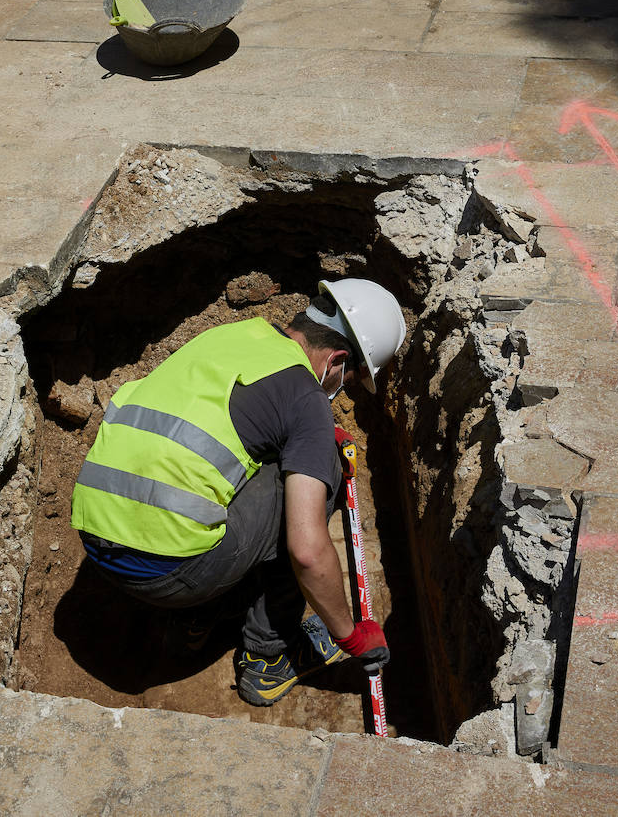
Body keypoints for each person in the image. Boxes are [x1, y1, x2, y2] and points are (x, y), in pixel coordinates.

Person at [71, 277, 406, 706]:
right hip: (163, 571)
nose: (343, 385)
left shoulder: (235, 334)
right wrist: (351, 634)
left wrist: (305, 437)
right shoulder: (306, 396)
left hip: (96, 532)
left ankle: (200, 615)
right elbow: (307, 550)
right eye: (350, 376)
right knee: (315, 485)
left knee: (259, 468)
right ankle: (268, 658)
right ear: (337, 359)